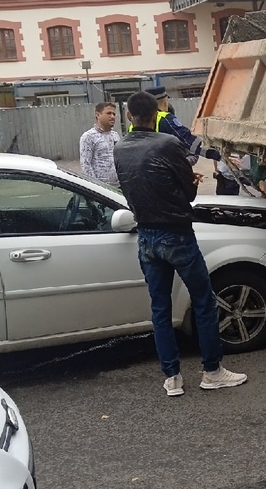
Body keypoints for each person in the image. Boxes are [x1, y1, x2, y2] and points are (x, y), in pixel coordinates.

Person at [113, 90, 247, 396]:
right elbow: (186, 193)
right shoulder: (168, 143)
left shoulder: (120, 148)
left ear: (130, 116)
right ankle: (212, 371)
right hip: (177, 234)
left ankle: (172, 377)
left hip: (146, 236)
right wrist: (191, 181)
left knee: (160, 308)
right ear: (156, 114)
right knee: (203, 301)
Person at [79, 102, 119, 184]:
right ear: (98, 115)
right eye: (109, 113)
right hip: (101, 190)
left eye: (114, 114)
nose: (112, 116)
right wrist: (96, 187)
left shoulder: (115, 136)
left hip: (117, 187)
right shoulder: (89, 137)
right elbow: (86, 165)